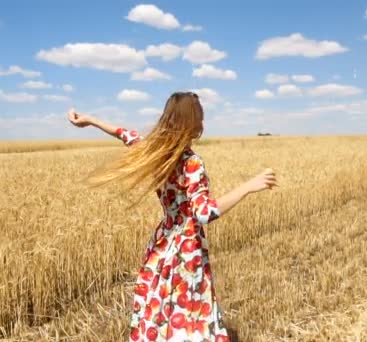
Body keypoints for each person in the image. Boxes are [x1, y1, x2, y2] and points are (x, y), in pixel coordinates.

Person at [67, 91, 277, 341]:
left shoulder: (154, 152)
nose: (203, 124)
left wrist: (90, 120)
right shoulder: (192, 163)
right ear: (193, 124)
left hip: (162, 243)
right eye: (200, 117)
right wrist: (248, 187)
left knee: (161, 308)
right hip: (187, 249)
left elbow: (125, 134)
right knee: (191, 312)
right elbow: (204, 212)